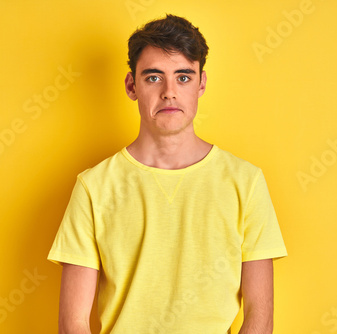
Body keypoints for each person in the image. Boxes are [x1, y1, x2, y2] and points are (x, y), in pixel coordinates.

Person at [47, 14, 287, 334]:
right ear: (132, 85)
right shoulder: (93, 187)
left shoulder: (246, 182)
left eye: (183, 77)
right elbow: (72, 323)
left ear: (201, 84)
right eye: (154, 77)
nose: (169, 92)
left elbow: (260, 315)